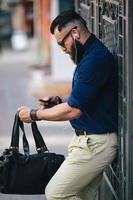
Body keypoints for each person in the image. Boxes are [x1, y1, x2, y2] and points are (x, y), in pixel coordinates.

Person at [18, 10, 118, 200]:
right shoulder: (89, 55)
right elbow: (83, 99)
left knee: (56, 193)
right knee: (79, 195)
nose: (62, 49)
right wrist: (58, 102)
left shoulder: (94, 60)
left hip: (95, 145)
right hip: (88, 142)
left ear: (75, 32)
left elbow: (74, 110)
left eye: (61, 43)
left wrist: (33, 115)